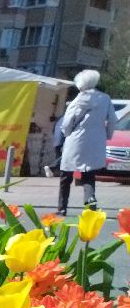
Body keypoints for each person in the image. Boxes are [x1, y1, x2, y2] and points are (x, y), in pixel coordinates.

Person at [55, 69, 117, 215]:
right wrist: (107, 135)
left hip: (76, 141)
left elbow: (67, 122)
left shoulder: (79, 99)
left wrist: (67, 134)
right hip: (96, 142)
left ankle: (62, 208)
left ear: (81, 84)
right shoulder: (105, 98)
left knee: (66, 176)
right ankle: (90, 205)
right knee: (89, 176)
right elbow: (113, 120)